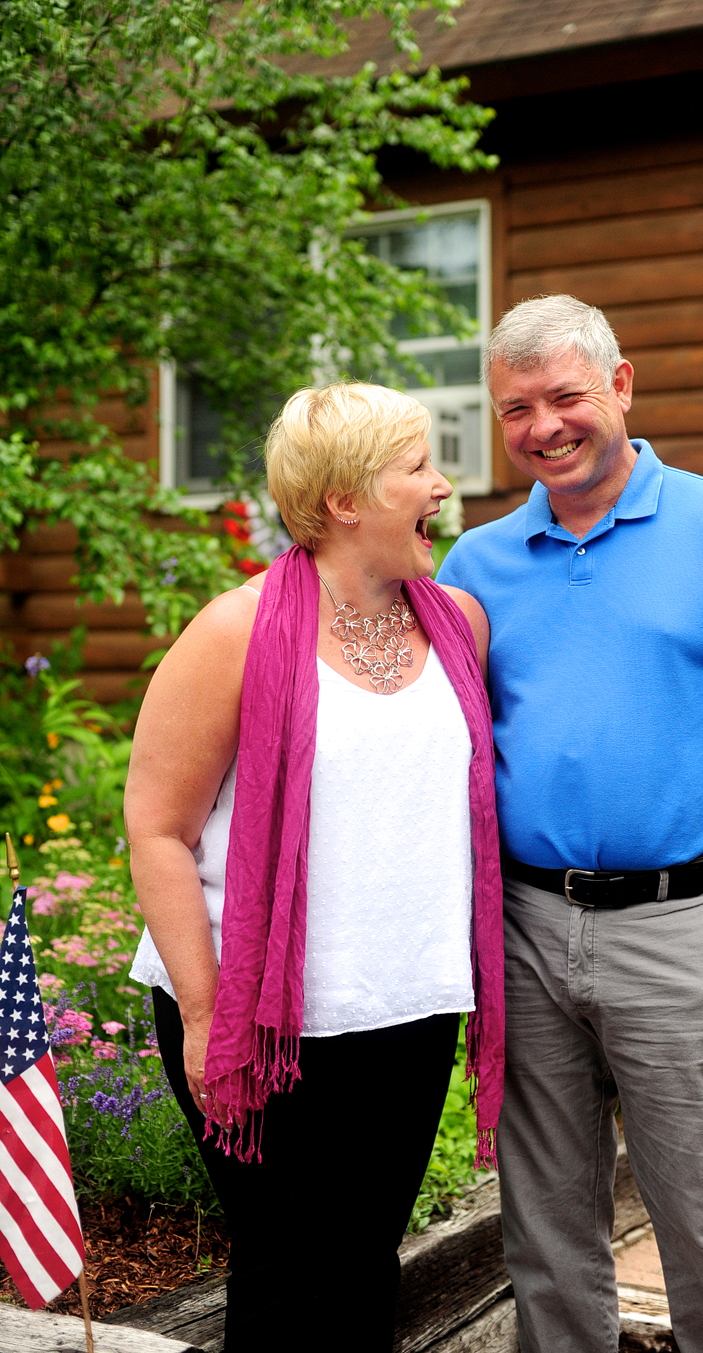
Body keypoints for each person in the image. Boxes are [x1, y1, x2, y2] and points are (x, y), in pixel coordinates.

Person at [438, 294, 703, 1353]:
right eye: (516, 409)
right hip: (526, 933)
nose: (543, 427)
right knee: (545, 1238)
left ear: (620, 386)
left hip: (685, 927)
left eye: (566, 396)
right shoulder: (474, 565)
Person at [125, 382, 504, 1352]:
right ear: (343, 500)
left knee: (365, 1264)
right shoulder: (235, 631)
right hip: (257, 1018)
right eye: (418, 467)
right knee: (288, 1276)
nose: (442, 484)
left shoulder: (458, 621)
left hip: (409, 1008)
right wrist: (208, 1016)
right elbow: (157, 826)